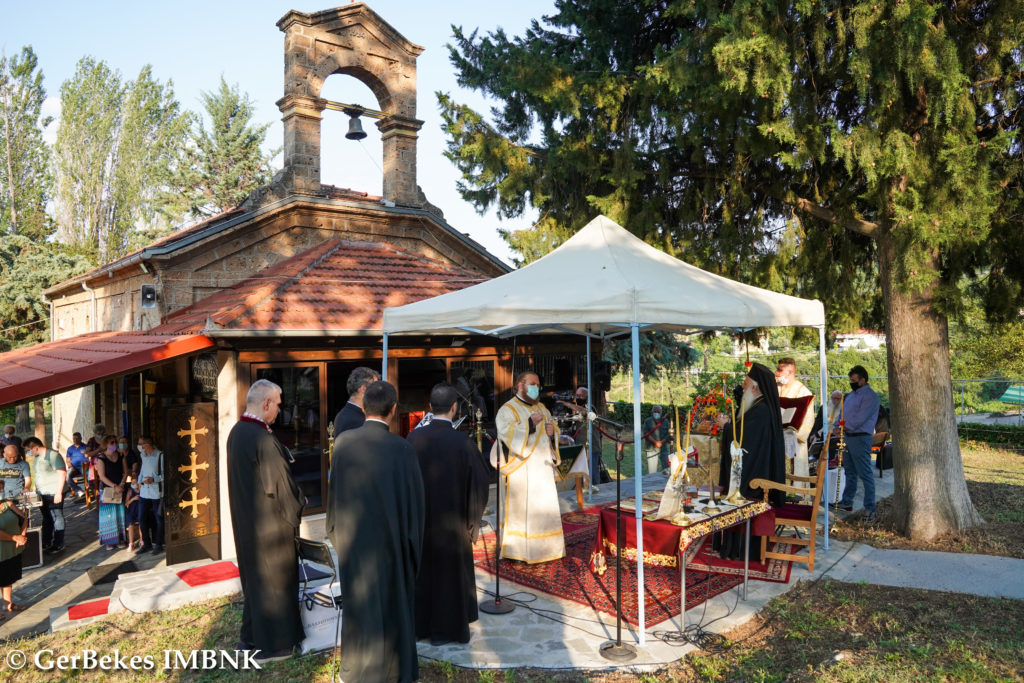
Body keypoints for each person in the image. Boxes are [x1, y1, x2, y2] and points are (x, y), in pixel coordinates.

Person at [328, 380, 424, 683]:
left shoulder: (342, 443)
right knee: (393, 609)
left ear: (364, 406)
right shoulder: (402, 448)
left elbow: (334, 498)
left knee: (359, 609)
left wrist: (337, 537)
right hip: (391, 548)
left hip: (354, 545)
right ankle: (395, 671)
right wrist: (413, 550)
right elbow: (415, 508)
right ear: (394, 410)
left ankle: (356, 671)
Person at [227, 379, 305, 662]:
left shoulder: (237, 432)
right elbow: (280, 487)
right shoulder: (263, 439)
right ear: (266, 403)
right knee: (274, 583)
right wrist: (299, 502)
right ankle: (275, 645)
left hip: (248, 523)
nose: (279, 410)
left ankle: (250, 638)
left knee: (255, 585)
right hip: (271, 527)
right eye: (278, 404)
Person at [406, 382, 489, 646]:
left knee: (423, 577)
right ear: (455, 408)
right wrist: (472, 522)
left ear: (430, 408)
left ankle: (421, 627)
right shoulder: (461, 442)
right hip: (453, 526)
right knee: (450, 579)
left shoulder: (412, 439)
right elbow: (480, 484)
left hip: (420, 525)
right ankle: (450, 629)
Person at [715, 362, 786, 560]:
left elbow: (745, 440)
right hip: (751, 468)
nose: (743, 387)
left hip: (754, 476)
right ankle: (732, 547)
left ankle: (741, 550)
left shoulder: (761, 410)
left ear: (754, 387)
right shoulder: (756, 406)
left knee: (740, 495)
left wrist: (728, 426)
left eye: (746, 384)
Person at [494, 371, 566, 564]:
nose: (537, 388)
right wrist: (529, 424)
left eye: (538, 384)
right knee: (523, 512)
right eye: (532, 384)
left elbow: (552, 430)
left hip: (542, 470)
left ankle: (547, 549)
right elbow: (505, 435)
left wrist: (553, 433)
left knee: (543, 509)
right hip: (521, 472)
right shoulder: (507, 410)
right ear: (520, 385)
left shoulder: (542, 407)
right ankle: (518, 552)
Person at [834, 365, 881, 522]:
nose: (852, 383)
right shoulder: (851, 396)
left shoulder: (871, 397)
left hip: (861, 438)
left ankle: (870, 508)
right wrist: (836, 425)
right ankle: (847, 501)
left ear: (863, 380)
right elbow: (842, 413)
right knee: (849, 472)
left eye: (855, 380)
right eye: (851, 380)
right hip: (848, 436)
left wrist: (842, 426)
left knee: (865, 474)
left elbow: (859, 419)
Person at [775, 357, 816, 486]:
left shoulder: (803, 393)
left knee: (795, 477)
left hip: (794, 443)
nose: (777, 373)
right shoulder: (776, 389)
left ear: (790, 372)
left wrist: (793, 434)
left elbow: (809, 421)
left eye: (780, 370)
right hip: (777, 440)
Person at [23, 437, 68, 555]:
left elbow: (62, 473)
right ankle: (46, 541)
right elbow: (38, 474)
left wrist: (58, 493)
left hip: (54, 492)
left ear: (35, 447)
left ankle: (59, 543)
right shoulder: (37, 458)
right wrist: (35, 488)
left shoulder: (53, 455)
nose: (29, 453)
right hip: (42, 492)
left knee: (56, 516)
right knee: (46, 518)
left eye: (29, 450)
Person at [94, 435, 128, 549]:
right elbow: (102, 476)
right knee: (108, 516)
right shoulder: (101, 458)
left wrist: (121, 484)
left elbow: (125, 471)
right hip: (107, 489)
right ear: (106, 445)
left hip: (120, 488)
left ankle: (120, 539)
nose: (115, 444)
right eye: (112, 442)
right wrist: (114, 486)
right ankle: (110, 541)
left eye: (115, 442)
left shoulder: (121, 455)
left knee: (119, 514)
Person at [0, 495, 28, 620]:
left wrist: (22, 536)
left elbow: (23, 518)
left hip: (11, 550)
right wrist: (14, 538)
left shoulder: (8, 504)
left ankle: (8, 604)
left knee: (8, 576)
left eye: (1, 488)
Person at [136, 436, 165, 555]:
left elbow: (165, 474)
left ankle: (158, 544)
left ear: (147, 444)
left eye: (141, 444)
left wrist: (154, 479)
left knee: (159, 519)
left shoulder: (160, 455)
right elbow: (142, 471)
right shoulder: (143, 456)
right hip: (144, 492)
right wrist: (138, 481)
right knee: (141, 518)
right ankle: (146, 544)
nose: (139, 446)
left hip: (156, 493)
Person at [332, 366, 380, 436]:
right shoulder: (351, 419)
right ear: (363, 389)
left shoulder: (348, 414)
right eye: (375, 387)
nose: (378, 392)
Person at [642, 405, 671, 475]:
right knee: (652, 471)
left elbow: (669, 434)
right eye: (655, 411)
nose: (656, 413)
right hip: (651, 449)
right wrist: (655, 442)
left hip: (664, 449)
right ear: (652, 412)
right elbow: (646, 434)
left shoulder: (666, 421)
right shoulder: (647, 421)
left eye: (658, 412)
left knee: (666, 470)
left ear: (661, 412)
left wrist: (661, 442)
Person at [65, 432, 88, 498]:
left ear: (81, 438)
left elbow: (90, 456)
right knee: (67, 477)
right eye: (74, 438)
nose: (75, 440)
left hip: (83, 466)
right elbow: (68, 460)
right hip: (74, 467)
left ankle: (91, 490)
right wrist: (71, 466)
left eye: (77, 438)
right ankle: (79, 491)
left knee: (89, 476)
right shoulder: (70, 448)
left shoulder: (85, 447)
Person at [124, 480, 143, 553]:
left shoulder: (142, 489)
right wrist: (133, 499)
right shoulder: (130, 491)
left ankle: (141, 540)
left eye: (135, 482)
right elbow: (126, 503)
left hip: (140, 509)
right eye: (132, 482)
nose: (134, 483)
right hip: (132, 510)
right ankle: (131, 543)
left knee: (141, 524)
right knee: (130, 525)